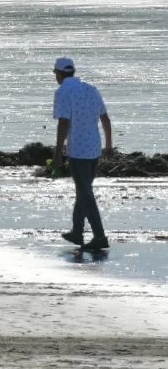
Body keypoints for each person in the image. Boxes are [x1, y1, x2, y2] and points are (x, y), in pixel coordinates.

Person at [52, 57, 112, 252]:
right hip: (94, 148)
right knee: (83, 191)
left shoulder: (63, 92)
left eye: (55, 73)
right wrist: (109, 145)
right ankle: (77, 232)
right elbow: (105, 118)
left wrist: (58, 152)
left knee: (86, 194)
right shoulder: (91, 89)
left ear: (59, 74)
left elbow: (63, 123)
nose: (56, 77)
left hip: (78, 150)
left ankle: (100, 236)